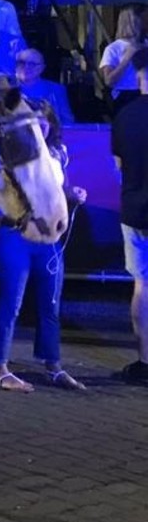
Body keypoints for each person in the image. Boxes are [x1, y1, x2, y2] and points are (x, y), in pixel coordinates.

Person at [0, 101, 86, 392]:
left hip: (48, 239)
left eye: (44, 121)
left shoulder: (57, 154)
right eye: (34, 121)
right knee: (10, 302)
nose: (40, 126)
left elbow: (57, 190)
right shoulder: (12, 155)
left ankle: (52, 365)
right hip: (16, 234)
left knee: (50, 303)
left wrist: (72, 194)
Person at [113, 48, 148, 384]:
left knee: (142, 285)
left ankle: (144, 362)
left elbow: (119, 167)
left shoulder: (124, 115)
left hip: (135, 209)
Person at [100, 7, 144, 116]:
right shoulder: (113, 48)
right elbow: (108, 80)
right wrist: (126, 58)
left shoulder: (146, 44)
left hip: (144, 93)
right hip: (124, 95)